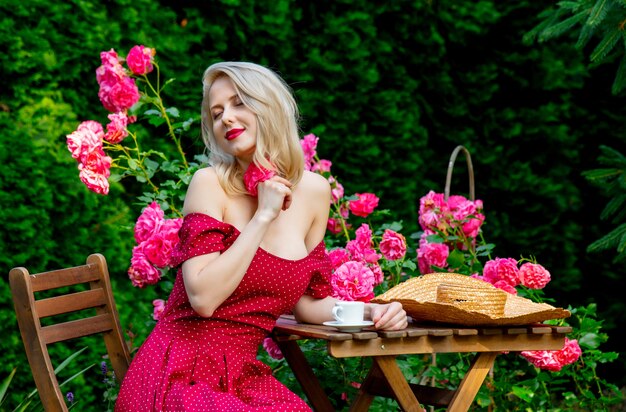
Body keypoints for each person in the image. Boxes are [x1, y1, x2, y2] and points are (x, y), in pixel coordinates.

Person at [115, 61, 407, 411]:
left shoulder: (314, 192)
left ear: (270, 106)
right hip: (178, 373)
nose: (225, 118)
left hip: (239, 375)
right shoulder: (210, 185)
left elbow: (309, 304)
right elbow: (203, 300)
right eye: (217, 112)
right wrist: (263, 216)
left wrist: (373, 312)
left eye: (239, 103)